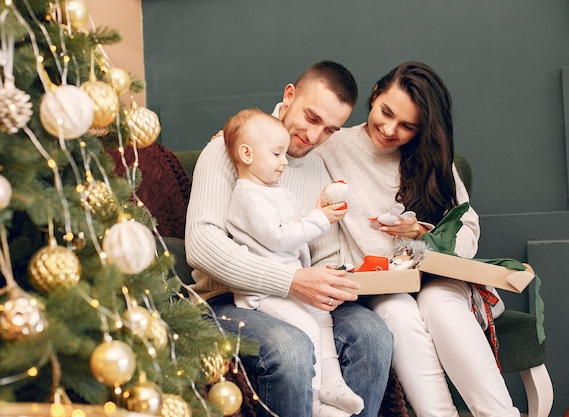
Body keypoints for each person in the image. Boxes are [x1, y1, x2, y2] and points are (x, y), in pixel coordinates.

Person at [185, 61, 393, 417]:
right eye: (311, 119)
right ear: (289, 95)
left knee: (373, 335)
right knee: (291, 346)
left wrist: (332, 279)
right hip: (227, 300)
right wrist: (291, 280)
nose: (313, 137)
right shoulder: (229, 150)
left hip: (298, 296)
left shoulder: (316, 165)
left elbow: (321, 248)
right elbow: (202, 245)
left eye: (329, 130)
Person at [314, 61, 520, 417]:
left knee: (438, 302)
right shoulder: (334, 147)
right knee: (397, 310)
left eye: (408, 126)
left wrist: (424, 234)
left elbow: (467, 231)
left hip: (442, 281)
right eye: (386, 112)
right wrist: (236, 137)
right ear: (375, 93)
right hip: (382, 289)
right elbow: (286, 138)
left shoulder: (432, 159)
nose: (390, 129)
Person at [223, 108, 364, 417]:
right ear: (246, 154)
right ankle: (313, 404)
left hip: (293, 280)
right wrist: (320, 219)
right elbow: (278, 238)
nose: (284, 161)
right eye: (276, 154)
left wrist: (317, 212)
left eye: (284, 153)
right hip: (263, 292)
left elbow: (297, 232)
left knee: (322, 315)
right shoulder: (246, 195)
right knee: (304, 329)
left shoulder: (277, 192)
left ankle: (334, 384)